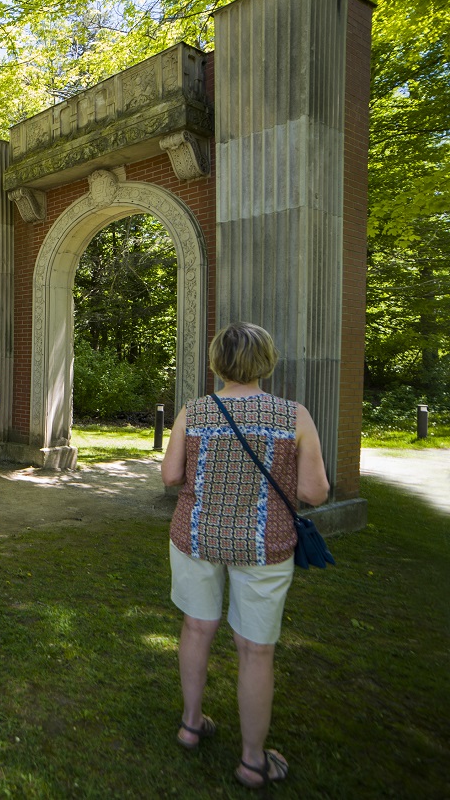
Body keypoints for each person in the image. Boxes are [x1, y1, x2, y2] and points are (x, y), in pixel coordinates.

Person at [160, 323, 330, 790]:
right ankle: (253, 760)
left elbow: (171, 475)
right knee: (255, 649)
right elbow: (315, 492)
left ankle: (191, 724)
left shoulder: (193, 411)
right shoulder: (293, 416)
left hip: (197, 535)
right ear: (267, 362)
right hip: (264, 542)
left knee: (196, 627)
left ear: (217, 362)